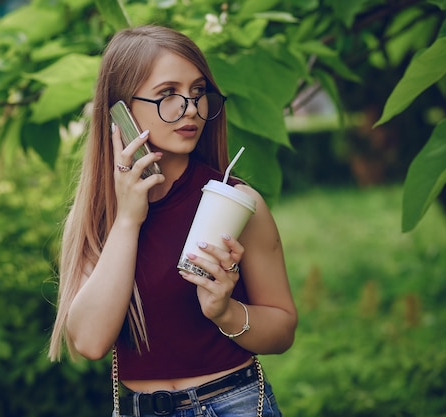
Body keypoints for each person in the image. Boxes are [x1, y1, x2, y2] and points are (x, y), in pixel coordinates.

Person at [48, 25, 298, 417]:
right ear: (121, 110)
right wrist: (128, 220)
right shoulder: (99, 218)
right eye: (168, 95)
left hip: (235, 404)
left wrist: (225, 311)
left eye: (198, 93)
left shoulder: (237, 202)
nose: (192, 109)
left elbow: (283, 330)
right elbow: (91, 342)